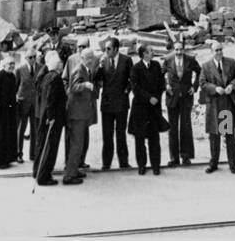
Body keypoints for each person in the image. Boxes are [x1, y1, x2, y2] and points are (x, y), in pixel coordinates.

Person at [200, 40, 235, 174]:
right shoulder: (206, 66)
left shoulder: (230, 62)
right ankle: (213, 163)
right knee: (214, 137)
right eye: (216, 50)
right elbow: (202, 83)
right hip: (213, 106)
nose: (219, 53)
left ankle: (232, 164)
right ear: (211, 52)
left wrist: (232, 86)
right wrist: (215, 88)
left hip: (226, 105)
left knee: (229, 135)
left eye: (220, 49)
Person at [128, 42, 166, 176]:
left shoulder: (156, 65)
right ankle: (142, 165)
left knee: (154, 138)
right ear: (144, 54)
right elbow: (135, 88)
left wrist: (156, 97)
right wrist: (149, 98)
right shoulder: (136, 68)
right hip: (140, 108)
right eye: (151, 51)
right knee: (140, 139)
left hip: (154, 108)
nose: (153, 53)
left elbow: (162, 83)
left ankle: (156, 165)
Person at [163, 37, 201, 167]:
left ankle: (185, 156)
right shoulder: (168, 60)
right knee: (172, 128)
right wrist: (165, 85)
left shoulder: (190, 60)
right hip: (172, 98)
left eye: (180, 49)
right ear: (173, 50)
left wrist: (194, 87)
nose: (178, 52)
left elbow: (200, 72)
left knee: (185, 126)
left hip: (186, 98)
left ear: (184, 49)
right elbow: (160, 75)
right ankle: (174, 158)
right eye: (176, 49)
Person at [63, 46, 98, 185]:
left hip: (81, 113)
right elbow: (73, 88)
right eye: (88, 58)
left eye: (92, 57)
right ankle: (69, 175)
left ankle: (74, 169)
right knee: (76, 145)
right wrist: (86, 85)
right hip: (77, 114)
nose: (91, 60)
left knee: (79, 143)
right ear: (82, 58)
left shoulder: (84, 69)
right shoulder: (79, 69)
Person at [97, 37, 132, 171]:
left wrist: (127, 90)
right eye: (105, 49)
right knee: (107, 135)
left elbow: (132, 79)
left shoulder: (126, 60)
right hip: (107, 104)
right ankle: (106, 163)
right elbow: (96, 78)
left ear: (116, 49)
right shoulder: (103, 60)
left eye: (108, 49)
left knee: (121, 134)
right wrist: (99, 67)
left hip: (121, 103)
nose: (106, 51)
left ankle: (123, 162)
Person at [33, 50, 67, 187]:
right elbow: (51, 99)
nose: (62, 66)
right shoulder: (55, 78)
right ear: (57, 65)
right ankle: (44, 176)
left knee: (42, 146)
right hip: (52, 118)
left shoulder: (47, 76)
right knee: (49, 148)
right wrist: (52, 116)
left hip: (44, 116)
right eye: (60, 64)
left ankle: (38, 171)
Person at [0, 53, 19, 169]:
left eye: (13, 64)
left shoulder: (12, 77)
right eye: (10, 64)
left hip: (9, 113)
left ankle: (7, 159)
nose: (12, 66)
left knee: (7, 136)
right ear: (4, 65)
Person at [15, 51, 37, 163]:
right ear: (26, 58)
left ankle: (33, 154)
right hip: (23, 103)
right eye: (30, 57)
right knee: (21, 128)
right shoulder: (20, 69)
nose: (33, 59)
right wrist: (17, 99)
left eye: (34, 57)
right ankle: (19, 153)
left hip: (35, 103)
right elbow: (16, 86)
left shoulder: (40, 68)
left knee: (34, 128)